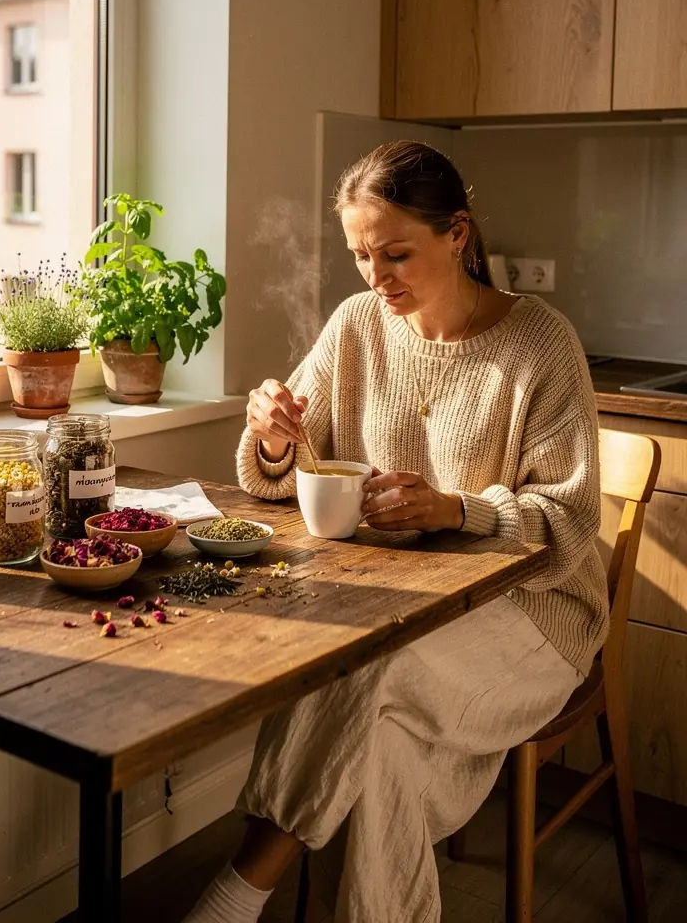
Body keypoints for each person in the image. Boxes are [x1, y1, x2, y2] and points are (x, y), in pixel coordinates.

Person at [183, 141, 607, 923]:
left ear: (458, 234)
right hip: (405, 603)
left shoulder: (541, 345)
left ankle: (237, 893)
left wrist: (459, 511)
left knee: (362, 669)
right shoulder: (356, 326)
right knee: (381, 752)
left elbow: (570, 529)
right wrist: (273, 434)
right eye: (359, 256)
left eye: (395, 254)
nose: (375, 279)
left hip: (535, 616)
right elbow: (277, 470)